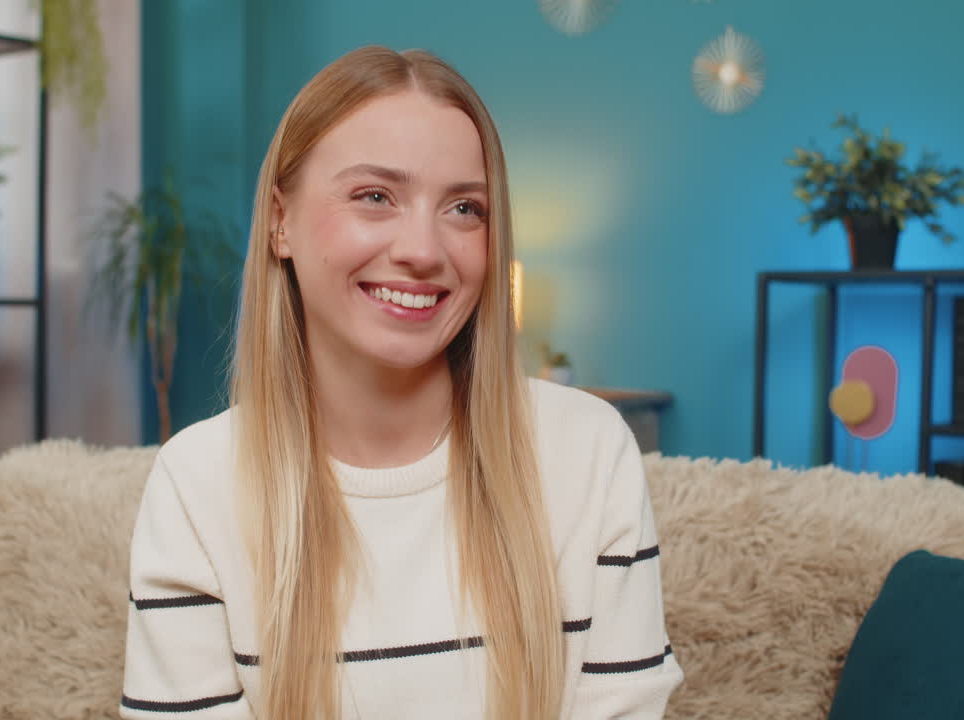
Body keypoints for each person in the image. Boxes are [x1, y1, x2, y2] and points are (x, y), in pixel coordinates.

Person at [120, 45, 682, 719]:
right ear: (279, 222)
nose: (423, 249)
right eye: (375, 196)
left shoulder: (589, 452)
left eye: (465, 209)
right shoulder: (197, 484)